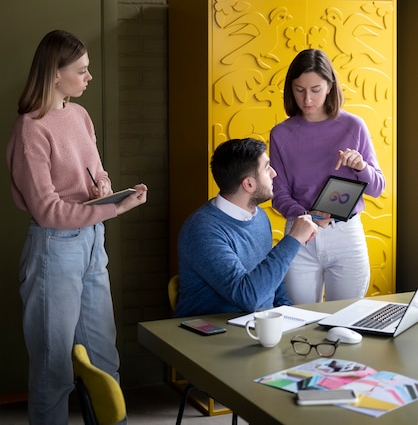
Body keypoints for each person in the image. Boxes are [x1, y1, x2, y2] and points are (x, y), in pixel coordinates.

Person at [6, 30, 148, 425]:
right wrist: (114, 209)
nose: (89, 77)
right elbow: (48, 209)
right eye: (82, 70)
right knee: (54, 369)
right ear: (55, 73)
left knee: (104, 355)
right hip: (55, 248)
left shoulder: (80, 115)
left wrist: (108, 189)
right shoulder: (31, 129)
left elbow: (96, 173)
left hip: (91, 240)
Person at [270, 48, 385, 305]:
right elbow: (279, 194)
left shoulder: (354, 126)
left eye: (316, 89)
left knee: (346, 319)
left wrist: (360, 167)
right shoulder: (280, 133)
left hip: (346, 236)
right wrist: (308, 217)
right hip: (300, 235)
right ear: (291, 89)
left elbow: (377, 187)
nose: (307, 99)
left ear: (330, 86)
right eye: (299, 90)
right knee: (302, 319)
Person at [174, 138, 317, 317]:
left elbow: (272, 277)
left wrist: (286, 312)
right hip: (211, 334)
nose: (274, 173)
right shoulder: (202, 230)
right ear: (248, 184)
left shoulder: (259, 217)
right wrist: (293, 239)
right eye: (267, 168)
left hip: (260, 325)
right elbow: (247, 297)